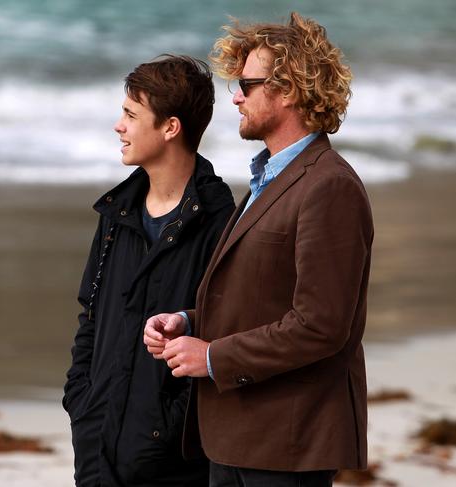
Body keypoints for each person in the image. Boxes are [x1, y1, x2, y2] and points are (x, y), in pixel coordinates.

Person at [144, 12, 374, 487]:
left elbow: (322, 325)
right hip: (238, 436)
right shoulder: (268, 178)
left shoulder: (330, 186)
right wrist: (189, 322)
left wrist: (212, 358)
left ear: (287, 90)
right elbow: (260, 296)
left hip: (287, 444)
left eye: (246, 85)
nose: (235, 96)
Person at [63, 55, 235, 486]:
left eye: (130, 114)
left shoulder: (220, 220)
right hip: (97, 441)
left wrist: (171, 424)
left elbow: (225, 328)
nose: (119, 126)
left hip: (173, 460)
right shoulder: (115, 213)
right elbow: (92, 313)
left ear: (170, 127)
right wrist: (80, 398)